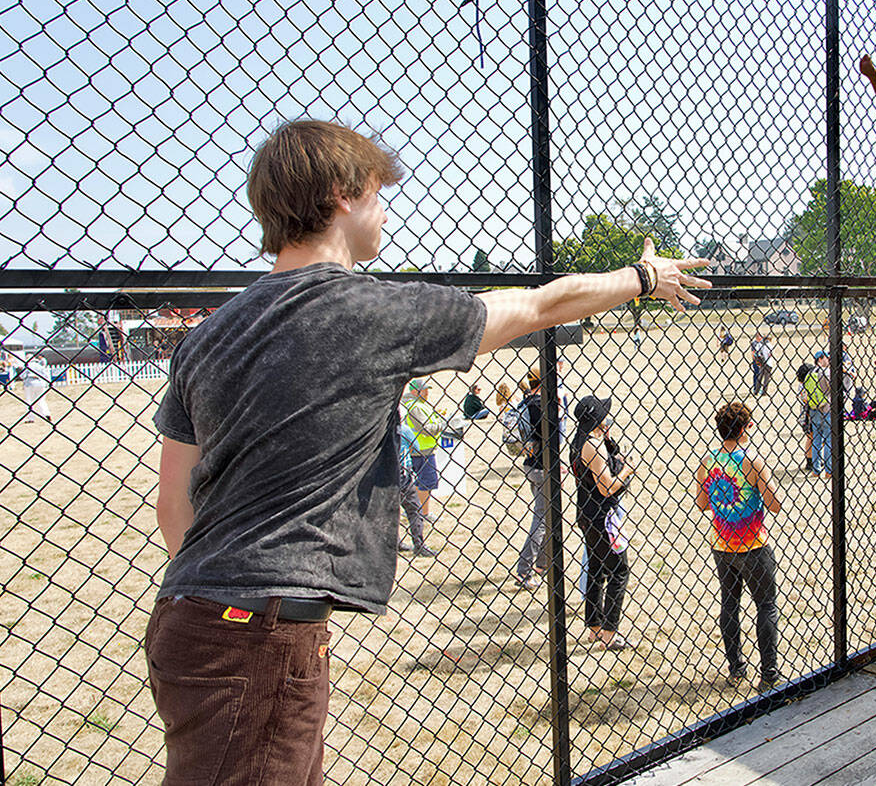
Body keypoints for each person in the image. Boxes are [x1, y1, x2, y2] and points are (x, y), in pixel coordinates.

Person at [148, 119, 709, 783]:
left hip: (191, 617)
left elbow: (172, 502)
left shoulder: (209, 336)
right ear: (340, 194)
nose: (384, 211)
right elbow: (538, 305)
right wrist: (641, 276)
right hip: (262, 631)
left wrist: (225, 599)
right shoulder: (375, 311)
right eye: (378, 194)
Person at [695, 401, 782, 689]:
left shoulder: (707, 462)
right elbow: (774, 505)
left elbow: (702, 504)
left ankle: (736, 667)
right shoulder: (752, 461)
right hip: (753, 544)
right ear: (745, 429)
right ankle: (769, 673)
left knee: (729, 604)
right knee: (766, 605)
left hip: (722, 544)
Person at [570, 395, 636, 651]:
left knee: (597, 570)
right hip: (602, 518)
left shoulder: (581, 441)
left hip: (588, 513)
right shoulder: (593, 446)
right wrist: (627, 470)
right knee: (619, 571)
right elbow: (607, 486)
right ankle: (609, 632)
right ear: (597, 419)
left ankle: (595, 627)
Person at [513, 367, 547, 590]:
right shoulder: (540, 406)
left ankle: (543, 564)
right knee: (542, 520)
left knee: (547, 517)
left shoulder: (524, 403)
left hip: (531, 465)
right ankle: (524, 570)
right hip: (542, 468)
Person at [402, 378, 445, 521]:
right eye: (424, 390)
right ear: (416, 391)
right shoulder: (415, 406)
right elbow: (426, 428)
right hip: (422, 450)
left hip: (418, 448)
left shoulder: (415, 404)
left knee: (415, 482)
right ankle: (423, 513)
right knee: (426, 482)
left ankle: (414, 510)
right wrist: (441, 424)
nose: (427, 393)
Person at [395, 408, 434, 557]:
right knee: (414, 509)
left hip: (386, 475)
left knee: (393, 510)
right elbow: (416, 447)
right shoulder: (404, 430)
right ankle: (419, 544)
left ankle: (396, 541)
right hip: (403, 474)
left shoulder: (382, 432)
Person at [805, 351, 832, 479]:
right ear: (821, 359)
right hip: (826, 407)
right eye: (826, 357)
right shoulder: (825, 372)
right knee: (828, 440)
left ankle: (816, 470)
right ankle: (829, 470)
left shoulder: (810, 373)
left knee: (816, 439)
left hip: (814, 408)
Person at [16, 349, 53, 424]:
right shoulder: (39, 365)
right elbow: (46, 375)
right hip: (41, 383)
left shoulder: (27, 366)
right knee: (41, 400)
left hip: (29, 384)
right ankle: (46, 413)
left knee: (29, 401)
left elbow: (23, 376)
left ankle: (30, 417)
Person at [795, 362, 814, 472]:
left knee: (811, 438)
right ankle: (810, 461)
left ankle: (812, 459)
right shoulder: (805, 386)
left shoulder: (802, 385)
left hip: (805, 416)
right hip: (807, 416)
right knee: (811, 438)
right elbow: (806, 400)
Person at [750, 332, 772, 397]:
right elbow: (770, 354)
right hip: (768, 363)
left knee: (760, 377)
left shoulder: (760, 344)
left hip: (762, 362)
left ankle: (756, 390)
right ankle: (763, 392)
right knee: (766, 378)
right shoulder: (769, 345)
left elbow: (755, 352)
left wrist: (757, 358)